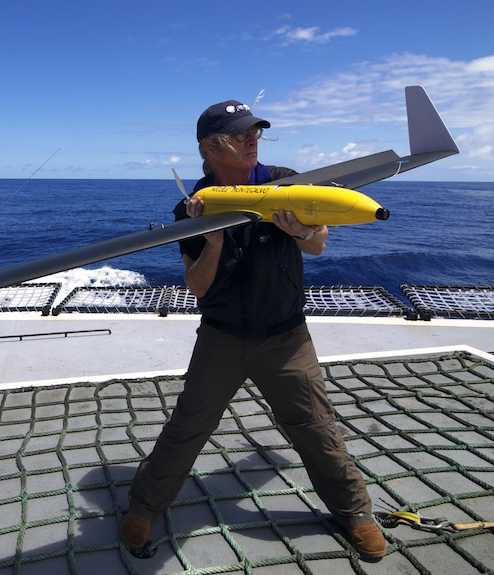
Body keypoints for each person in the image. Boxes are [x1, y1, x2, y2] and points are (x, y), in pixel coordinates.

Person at [120, 102, 387, 559]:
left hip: (286, 337)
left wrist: (300, 231)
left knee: (316, 427)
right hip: (221, 335)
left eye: (255, 132)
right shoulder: (194, 207)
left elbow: (319, 244)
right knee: (189, 426)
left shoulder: (288, 183)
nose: (252, 140)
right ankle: (144, 507)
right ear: (210, 146)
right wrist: (213, 239)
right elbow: (197, 287)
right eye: (240, 134)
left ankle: (355, 514)